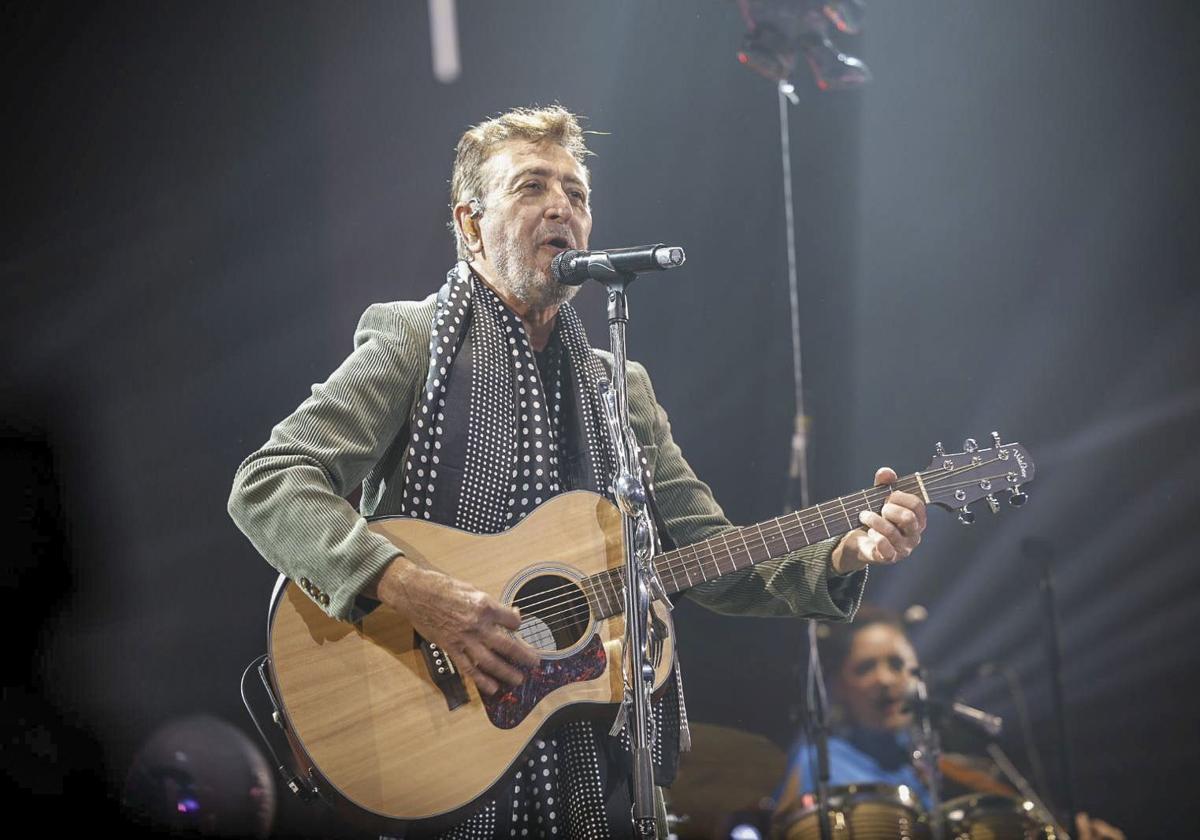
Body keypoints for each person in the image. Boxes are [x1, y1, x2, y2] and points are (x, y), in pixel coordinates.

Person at [227, 105, 927, 839]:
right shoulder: (413, 340)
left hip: (584, 767)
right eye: (532, 187)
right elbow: (270, 481)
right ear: (469, 225)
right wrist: (416, 590)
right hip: (428, 732)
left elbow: (710, 560)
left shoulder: (620, 387)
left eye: (578, 193)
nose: (563, 206)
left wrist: (848, 551)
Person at [774, 607, 1125, 840]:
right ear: (836, 687)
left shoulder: (932, 761)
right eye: (865, 668)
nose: (886, 679)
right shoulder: (819, 760)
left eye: (897, 664)